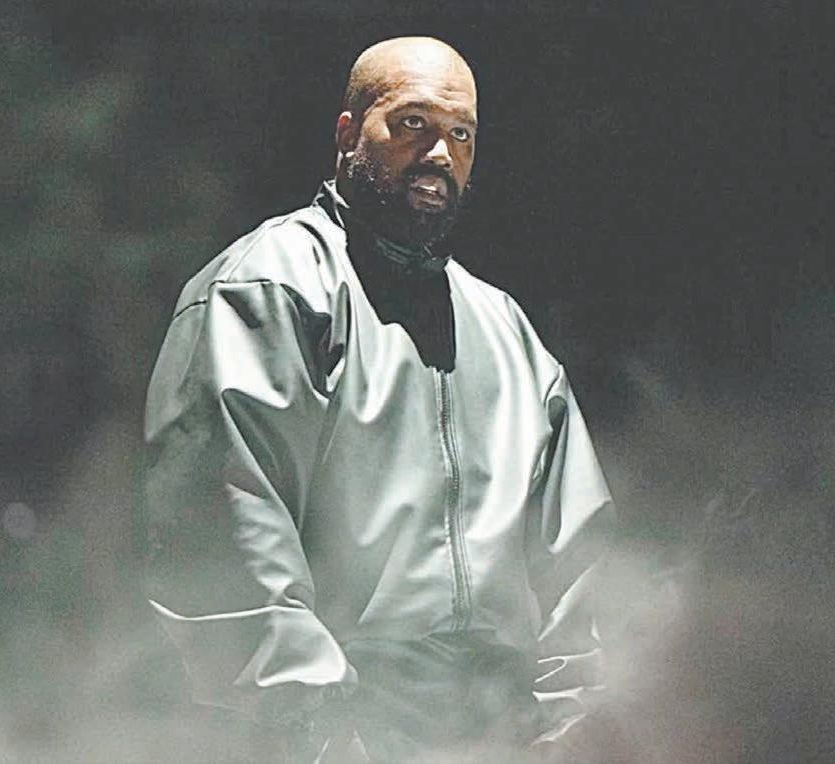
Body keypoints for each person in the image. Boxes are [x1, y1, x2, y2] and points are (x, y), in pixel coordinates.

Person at [144, 36, 618, 762]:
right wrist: (329, 740)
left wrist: (567, 740)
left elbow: (579, 569)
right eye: (412, 124)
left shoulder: (507, 333)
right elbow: (227, 554)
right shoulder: (268, 290)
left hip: (498, 740)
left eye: (461, 135)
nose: (439, 154)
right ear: (347, 133)